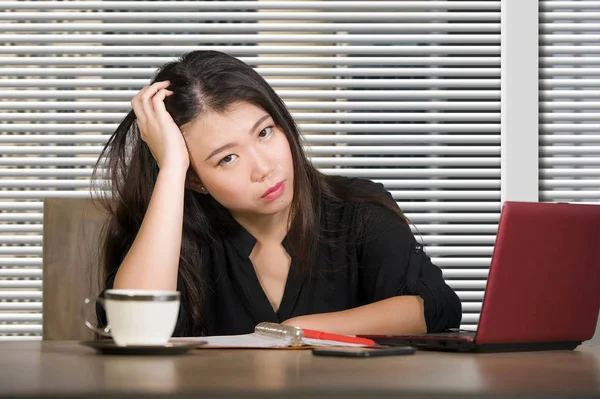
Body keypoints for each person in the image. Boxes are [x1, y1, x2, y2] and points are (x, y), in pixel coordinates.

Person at [94, 50, 462, 337]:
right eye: (228, 158)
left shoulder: (357, 210)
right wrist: (172, 167)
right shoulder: (172, 236)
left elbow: (434, 307)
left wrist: (295, 331)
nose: (264, 168)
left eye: (264, 133)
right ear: (196, 180)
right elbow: (131, 328)